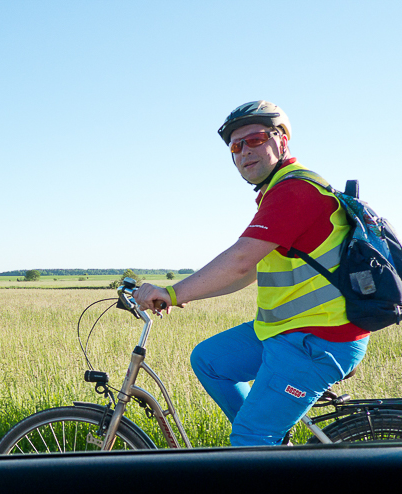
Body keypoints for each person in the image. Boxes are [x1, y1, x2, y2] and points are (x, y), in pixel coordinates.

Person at [133, 100, 370, 446]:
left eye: (256, 139)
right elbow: (246, 274)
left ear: (282, 141)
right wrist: (184, 297)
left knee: (249, 439)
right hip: (287, 332)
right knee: (210, 360)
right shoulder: (275, 193)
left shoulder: (297, 189)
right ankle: (270, 445)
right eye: (235, 146)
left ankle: (258, 443)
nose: (244, 151)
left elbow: (240, 260)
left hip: (319, 340)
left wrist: (173, 293)